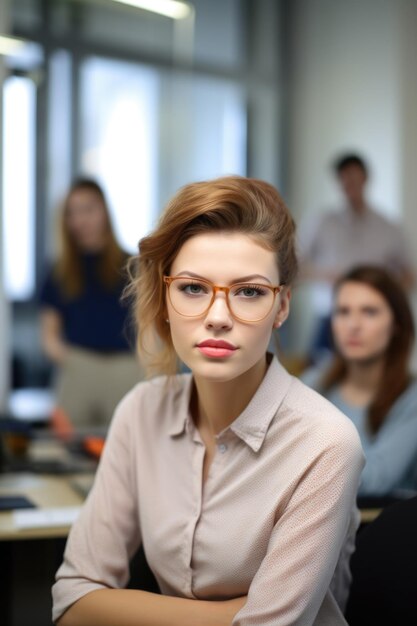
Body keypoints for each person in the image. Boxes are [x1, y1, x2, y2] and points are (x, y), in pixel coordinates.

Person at [52, 175, 364, 625]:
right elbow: (71, 599)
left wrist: (118, 608)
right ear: (164, 296)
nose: (218, 317)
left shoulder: (326, 443)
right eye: (193, 288)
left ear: (282, 307)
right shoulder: (141, 411)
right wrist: (228, 614)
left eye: (250, 292)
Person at [302, 265, 417, 498]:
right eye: (343, 312)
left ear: (396, 325)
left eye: (369, 312)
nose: (353, 325)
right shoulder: (313, 383)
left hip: (382, 527)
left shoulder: (411, 398)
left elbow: (376, 479)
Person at [39, 178, 143, 428]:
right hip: (79, 367)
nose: (81, 220)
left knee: (125, 448)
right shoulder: (59, 272)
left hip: (126, 368)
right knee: (69, 451)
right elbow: (49, 335)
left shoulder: (135, 266)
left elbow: (150, 324)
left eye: (88, 209)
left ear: (104, 211)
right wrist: (73, 360)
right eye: (72, 213)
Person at [298, 153, 414, 360]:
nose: (348, 183)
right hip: (330, 316)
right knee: (319, 378)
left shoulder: (387, 227)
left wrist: (388, 291)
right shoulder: (323, 222)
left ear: (365, 178)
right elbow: (294, 265)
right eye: (343, 178)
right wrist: (324, 275)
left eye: (353, 176)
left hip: (374, 319)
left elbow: (409, 275)